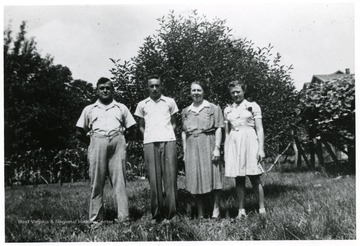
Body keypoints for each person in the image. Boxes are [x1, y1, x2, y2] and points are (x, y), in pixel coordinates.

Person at [76, 77, 136, 228]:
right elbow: (79, 131)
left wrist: (121, 139)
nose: (105, 90)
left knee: (120, 182)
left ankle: (124, 219)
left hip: (117, 143)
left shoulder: (121, 107)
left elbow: (132, 127)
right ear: (97, 90)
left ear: (112, 90)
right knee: (96, 183)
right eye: (101, 88)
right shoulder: (89, 109)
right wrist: (92, 142)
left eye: (108, 88)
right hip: (97, 143)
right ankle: (95, 221)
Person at [134, 75, 178, 221]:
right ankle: (157, 214)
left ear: (161, 86)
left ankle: (172, 214)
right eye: (151, 86)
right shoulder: (142, 104)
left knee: (170, 178)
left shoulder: (169, 102)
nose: (154, 88)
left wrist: (167, 134)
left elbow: (174, 123)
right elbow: (140, 125)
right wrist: (148, 135)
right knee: (154, 179)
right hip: (150, 142)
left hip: (168, 141)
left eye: (157, 85)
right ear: (148, 87)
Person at [224, 79, 266, 218]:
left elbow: (259, 129)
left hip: (250, 141)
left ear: (244, 91)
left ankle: (261, 208)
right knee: (239, 178)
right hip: (235, 143)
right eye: (233, 92)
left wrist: (261, 149)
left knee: (254, 177)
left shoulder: (253, 106)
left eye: (238, 91)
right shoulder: (228, 109)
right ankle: (241, 210)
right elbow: (227, 132)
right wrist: (226, 150)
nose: (236, 95)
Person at [181, 81, 224, 219]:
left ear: (203, 91)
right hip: (192, 145)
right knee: (195, 179)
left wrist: (217, 148)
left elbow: (218, 128)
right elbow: (183, 132)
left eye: (199, 90)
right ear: (190, 93)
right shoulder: (186, 111)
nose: (196, 93)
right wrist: (185, 151)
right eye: (193, 90)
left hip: (209, 143)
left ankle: (216, 210)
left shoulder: (213, 108)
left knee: (214, 176)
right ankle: (200, 212)